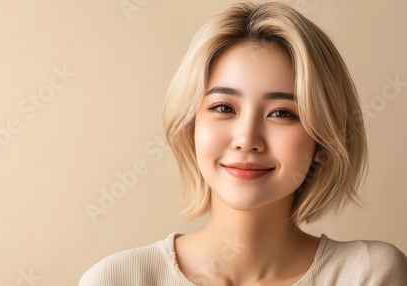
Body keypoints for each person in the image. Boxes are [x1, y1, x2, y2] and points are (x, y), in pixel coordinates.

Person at [79, 2, 407, 285]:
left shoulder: (368, 274)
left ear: (322, 140)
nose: (247, 140)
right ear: (190, 127)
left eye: (282, 113)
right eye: (224, 108)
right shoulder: (117, 279)